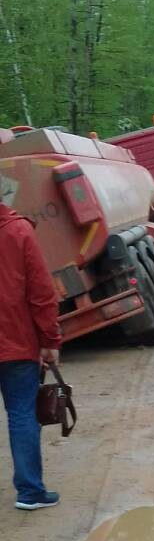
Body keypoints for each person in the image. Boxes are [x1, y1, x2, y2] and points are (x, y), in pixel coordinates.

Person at [0, 203, 62, 509]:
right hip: (16, 344)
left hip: (14, 343)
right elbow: (41, 291)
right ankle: (30, 492)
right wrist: (50, 340)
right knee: (22, 413)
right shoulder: (18, 231)